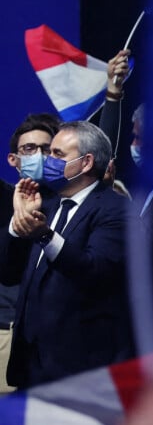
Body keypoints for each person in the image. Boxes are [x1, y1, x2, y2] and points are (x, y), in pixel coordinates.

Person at [0, 121, 135, 388]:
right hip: (31, 363)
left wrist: (44, 235)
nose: (48, 161)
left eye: (57, 154)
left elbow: (95, 270)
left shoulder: (117, 210)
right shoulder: (46, 205)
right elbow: (8, 273)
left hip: (80, 367)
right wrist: (19, 224)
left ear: (86, 163)